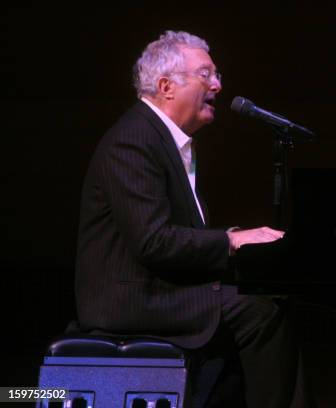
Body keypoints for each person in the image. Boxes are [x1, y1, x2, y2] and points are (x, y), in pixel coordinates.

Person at [75, 30, 304, 407]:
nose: (218, 84)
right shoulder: (133, 141)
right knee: (263, 315)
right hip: (134, 300)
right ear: (166, 86)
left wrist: (233, 238)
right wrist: (230, 241)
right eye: (206, 74)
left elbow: (174, 236)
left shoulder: (164, 139)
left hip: (162, 289)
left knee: (268, 302)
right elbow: (153, 242)